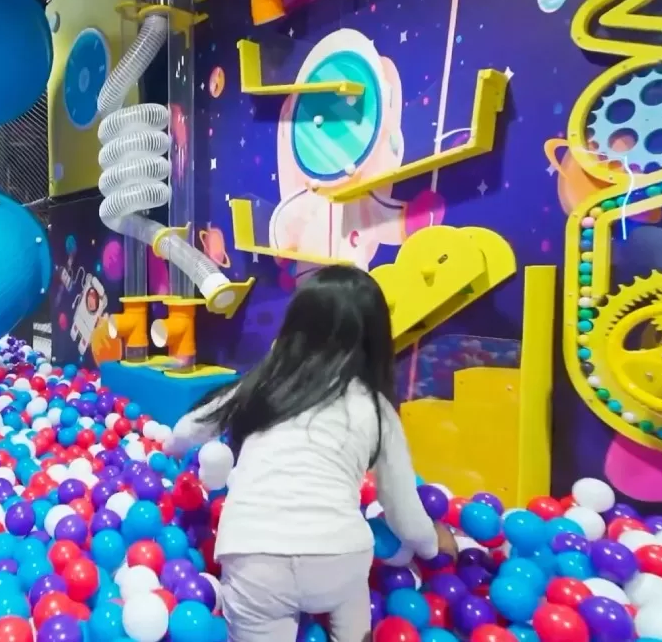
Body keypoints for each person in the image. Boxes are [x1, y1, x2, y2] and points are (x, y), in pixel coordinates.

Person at [163, 265, 457, 642]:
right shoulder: (376, 409)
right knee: (352, 611)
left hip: (255, 557)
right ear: (375, 340)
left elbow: (189, 428)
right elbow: (403, 511)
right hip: (339, 559)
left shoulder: (263, 384)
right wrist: (433, 545)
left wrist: (170, 450)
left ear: (292, 331)